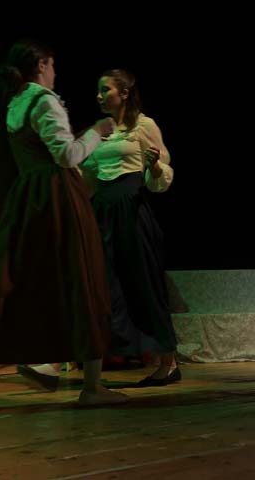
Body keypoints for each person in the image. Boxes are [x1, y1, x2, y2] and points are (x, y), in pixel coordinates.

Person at [0, 39, 125, 415]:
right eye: (52, 65)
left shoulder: (16, 103)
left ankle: (33, 365)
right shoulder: (42, 100)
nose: (55, 73)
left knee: (23, 279)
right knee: (83, 279)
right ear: (41, 65)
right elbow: (67, 155)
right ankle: (88, 385)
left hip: (29, 197)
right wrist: (97, 131)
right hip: (58, 197)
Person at [80, 69, 180, 386]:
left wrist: (154, 166)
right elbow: (88, 177)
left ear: (124, 94)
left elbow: (160, 176)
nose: (99, 96)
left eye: (105, 89)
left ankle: (169, 362)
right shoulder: (99, 131)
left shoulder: (143, 126)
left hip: (132, 209)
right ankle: (98, 367)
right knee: (105, 286)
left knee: (144, 283)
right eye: (98, 90)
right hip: (103, 211)